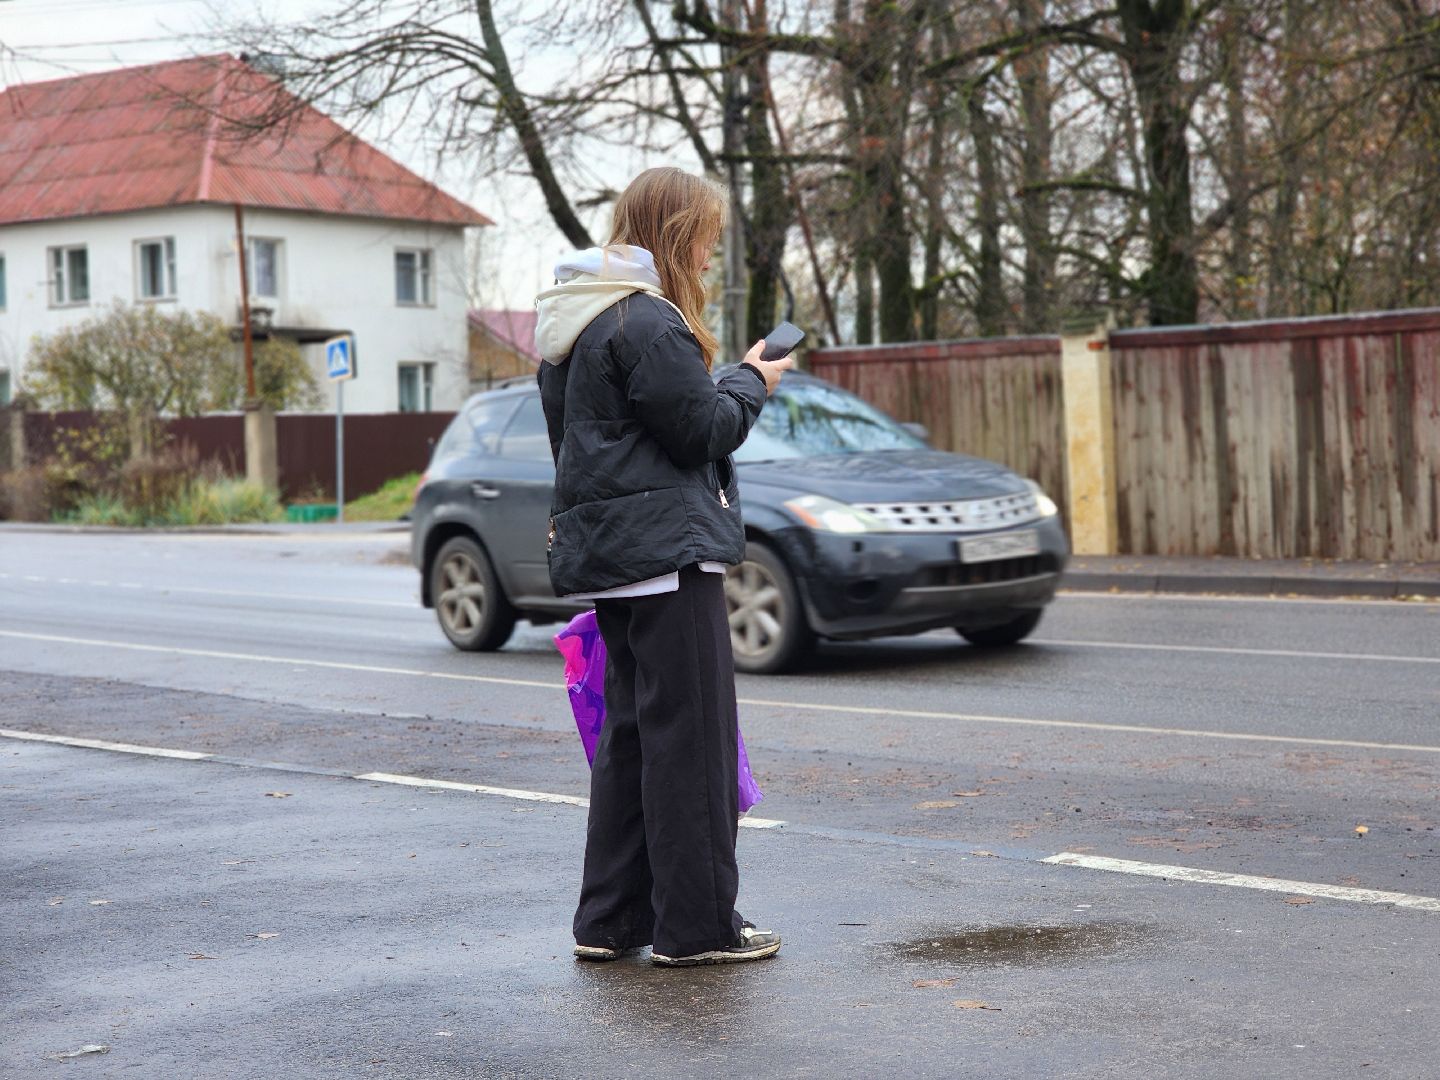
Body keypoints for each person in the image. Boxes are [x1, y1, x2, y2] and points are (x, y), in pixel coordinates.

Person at [535, 167, 793, 967]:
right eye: (707, 243)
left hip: (615, 559)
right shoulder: (648, 321)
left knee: (633, 740)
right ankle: (699, 928)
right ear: (679, 235)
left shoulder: (573, 326)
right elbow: (702, 430)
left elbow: (606, 443)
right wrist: (754, 378)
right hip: (670, 560)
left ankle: (607, 921)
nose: (710, 260)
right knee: (694, 747)